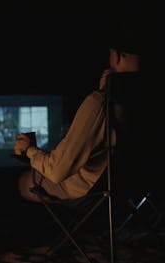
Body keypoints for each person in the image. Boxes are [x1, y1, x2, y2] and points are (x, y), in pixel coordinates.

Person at [15, 22, 145, 202]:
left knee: (24, 181)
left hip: (92, 193)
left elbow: (57, 171)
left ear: (116, 57)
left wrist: (29, 149)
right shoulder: (150, 100)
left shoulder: (99, 103)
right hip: (135, 187)